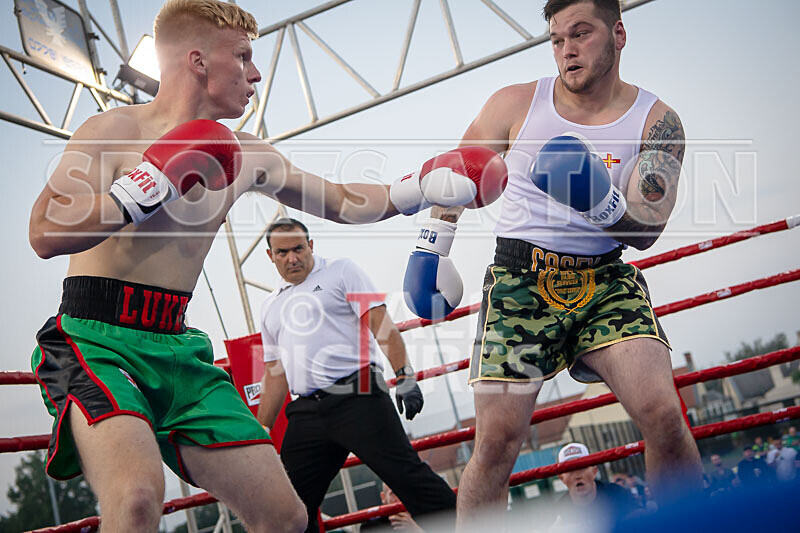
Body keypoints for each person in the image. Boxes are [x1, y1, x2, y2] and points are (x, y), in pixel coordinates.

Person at [27, 1, 503, 530]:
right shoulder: (111, 130)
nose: (256, 73)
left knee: (286, 517)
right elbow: (44, 232)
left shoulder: (246, 155)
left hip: (176, 346)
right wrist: (139, 191)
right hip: (96, 339)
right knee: (139, 498)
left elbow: (343, 200)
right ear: (198, 60)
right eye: (244, 56)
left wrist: (414, 189)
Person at [402, 0, 704, 527]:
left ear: (618, 34)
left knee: (662, 414)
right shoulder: (515, 103)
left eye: (581, 34)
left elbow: (648, 230)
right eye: (558, 39)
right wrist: (433, 244)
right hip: (521, 281)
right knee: (495, 443)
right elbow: (458, 174)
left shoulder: (657, 121)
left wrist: (598, 200)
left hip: (605, 280)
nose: (568, 49)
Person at [256, 219, 456, 533]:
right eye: (282, 252)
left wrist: (404, 375)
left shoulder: (341, 271)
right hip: (307, 411)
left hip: (358, 395)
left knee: (407, 477)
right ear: (270, 256)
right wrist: (261, 429)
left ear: (311, 246)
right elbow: (275, 372)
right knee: (288, 506)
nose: (291, 258)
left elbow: (380, 323)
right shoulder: (270, 305)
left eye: (298, 248)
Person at [548, 443, 642, 529]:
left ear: (594, 471)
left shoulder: (617, 494)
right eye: (570, 470)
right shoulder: (559, 511)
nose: (577, 476)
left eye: (582, 467)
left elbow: (642, 524)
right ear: (561, 478)